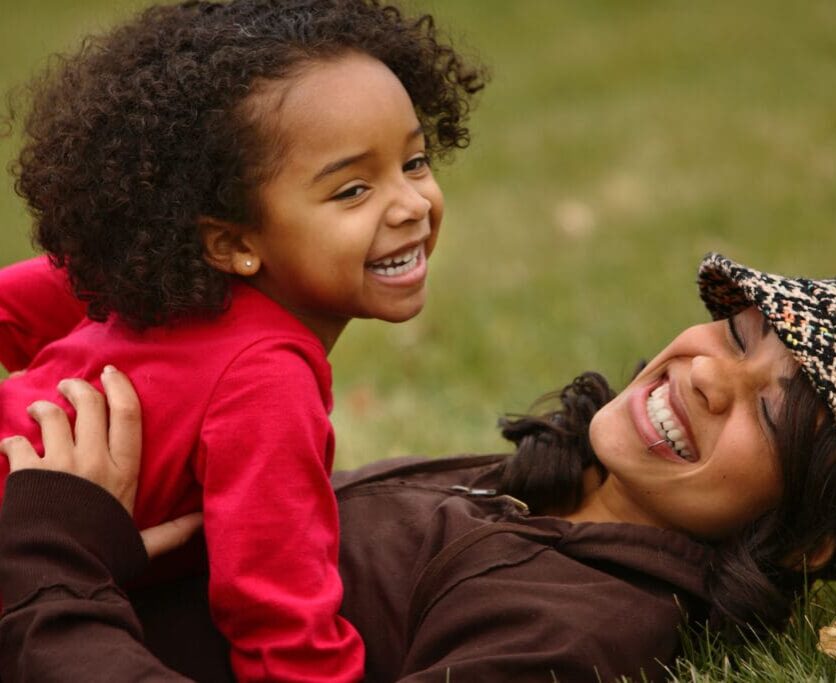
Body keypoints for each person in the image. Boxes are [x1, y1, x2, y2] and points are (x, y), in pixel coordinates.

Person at [2, 253, 836, 681]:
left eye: (772, 407)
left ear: (806, 532)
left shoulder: (580, 625)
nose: (711, 371)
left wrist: (48, 557)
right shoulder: (542, 490)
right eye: (737, 330)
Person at [0, 0, 484, 680]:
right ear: (231, 241)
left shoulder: (153, 280)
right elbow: (280, 620)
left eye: (414, 161)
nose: (408, 204)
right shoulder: (266, 379)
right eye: (351, 190)